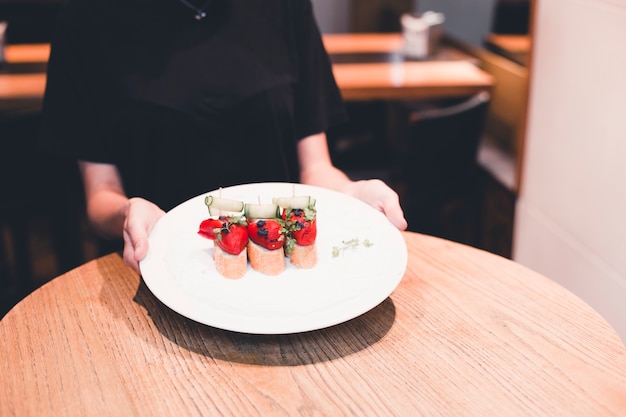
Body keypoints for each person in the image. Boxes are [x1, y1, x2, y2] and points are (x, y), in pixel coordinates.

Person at [39, 0, 407, 273]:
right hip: (155, 273)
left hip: (278, 282)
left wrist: (352, 194)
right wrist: (127, 210)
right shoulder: (85, 16)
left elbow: (316, 170)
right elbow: (100, 194)